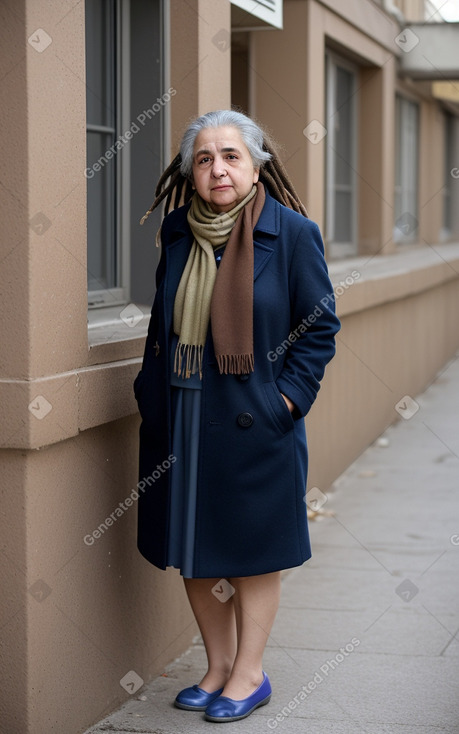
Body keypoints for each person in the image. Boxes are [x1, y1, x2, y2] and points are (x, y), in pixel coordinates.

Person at [134, 109, 340, 723]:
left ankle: (250, 674)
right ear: (190, 173)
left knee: (251, 550)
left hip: (254, 419)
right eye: (204, 158)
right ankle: (219, 666)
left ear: (257, 167)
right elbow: (160, 325)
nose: (217, 168)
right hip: (182, 415)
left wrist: (286, 401)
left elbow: (320, 327)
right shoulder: (177, 233)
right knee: (192, 544)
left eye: (230, 156)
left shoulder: (294, 234)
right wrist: (150, 393)